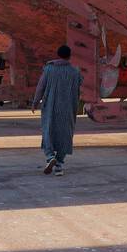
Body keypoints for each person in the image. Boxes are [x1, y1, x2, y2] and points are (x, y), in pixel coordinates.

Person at [31, 45, 82, 176]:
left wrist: (35, 102)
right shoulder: (75, 72)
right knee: (65, 134)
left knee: (48, 130)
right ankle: (59, 164)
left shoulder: (49, 69)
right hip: (68, 107)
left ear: (58, 54)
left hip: (50, 106)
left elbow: (40, 87)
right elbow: (78, 90)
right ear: (70, 56)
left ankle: (49, 156)